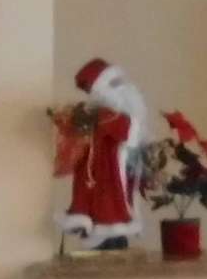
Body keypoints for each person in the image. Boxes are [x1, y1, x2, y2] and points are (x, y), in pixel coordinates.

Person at [53, 58, 150, 250]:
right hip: (103, 178)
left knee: (112, 219)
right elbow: (126, 131)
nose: (124, 88)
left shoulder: (109, 116)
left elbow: (131, 136)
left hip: (112, 177)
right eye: (115, 83)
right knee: (107, 215)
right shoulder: (106, 115)